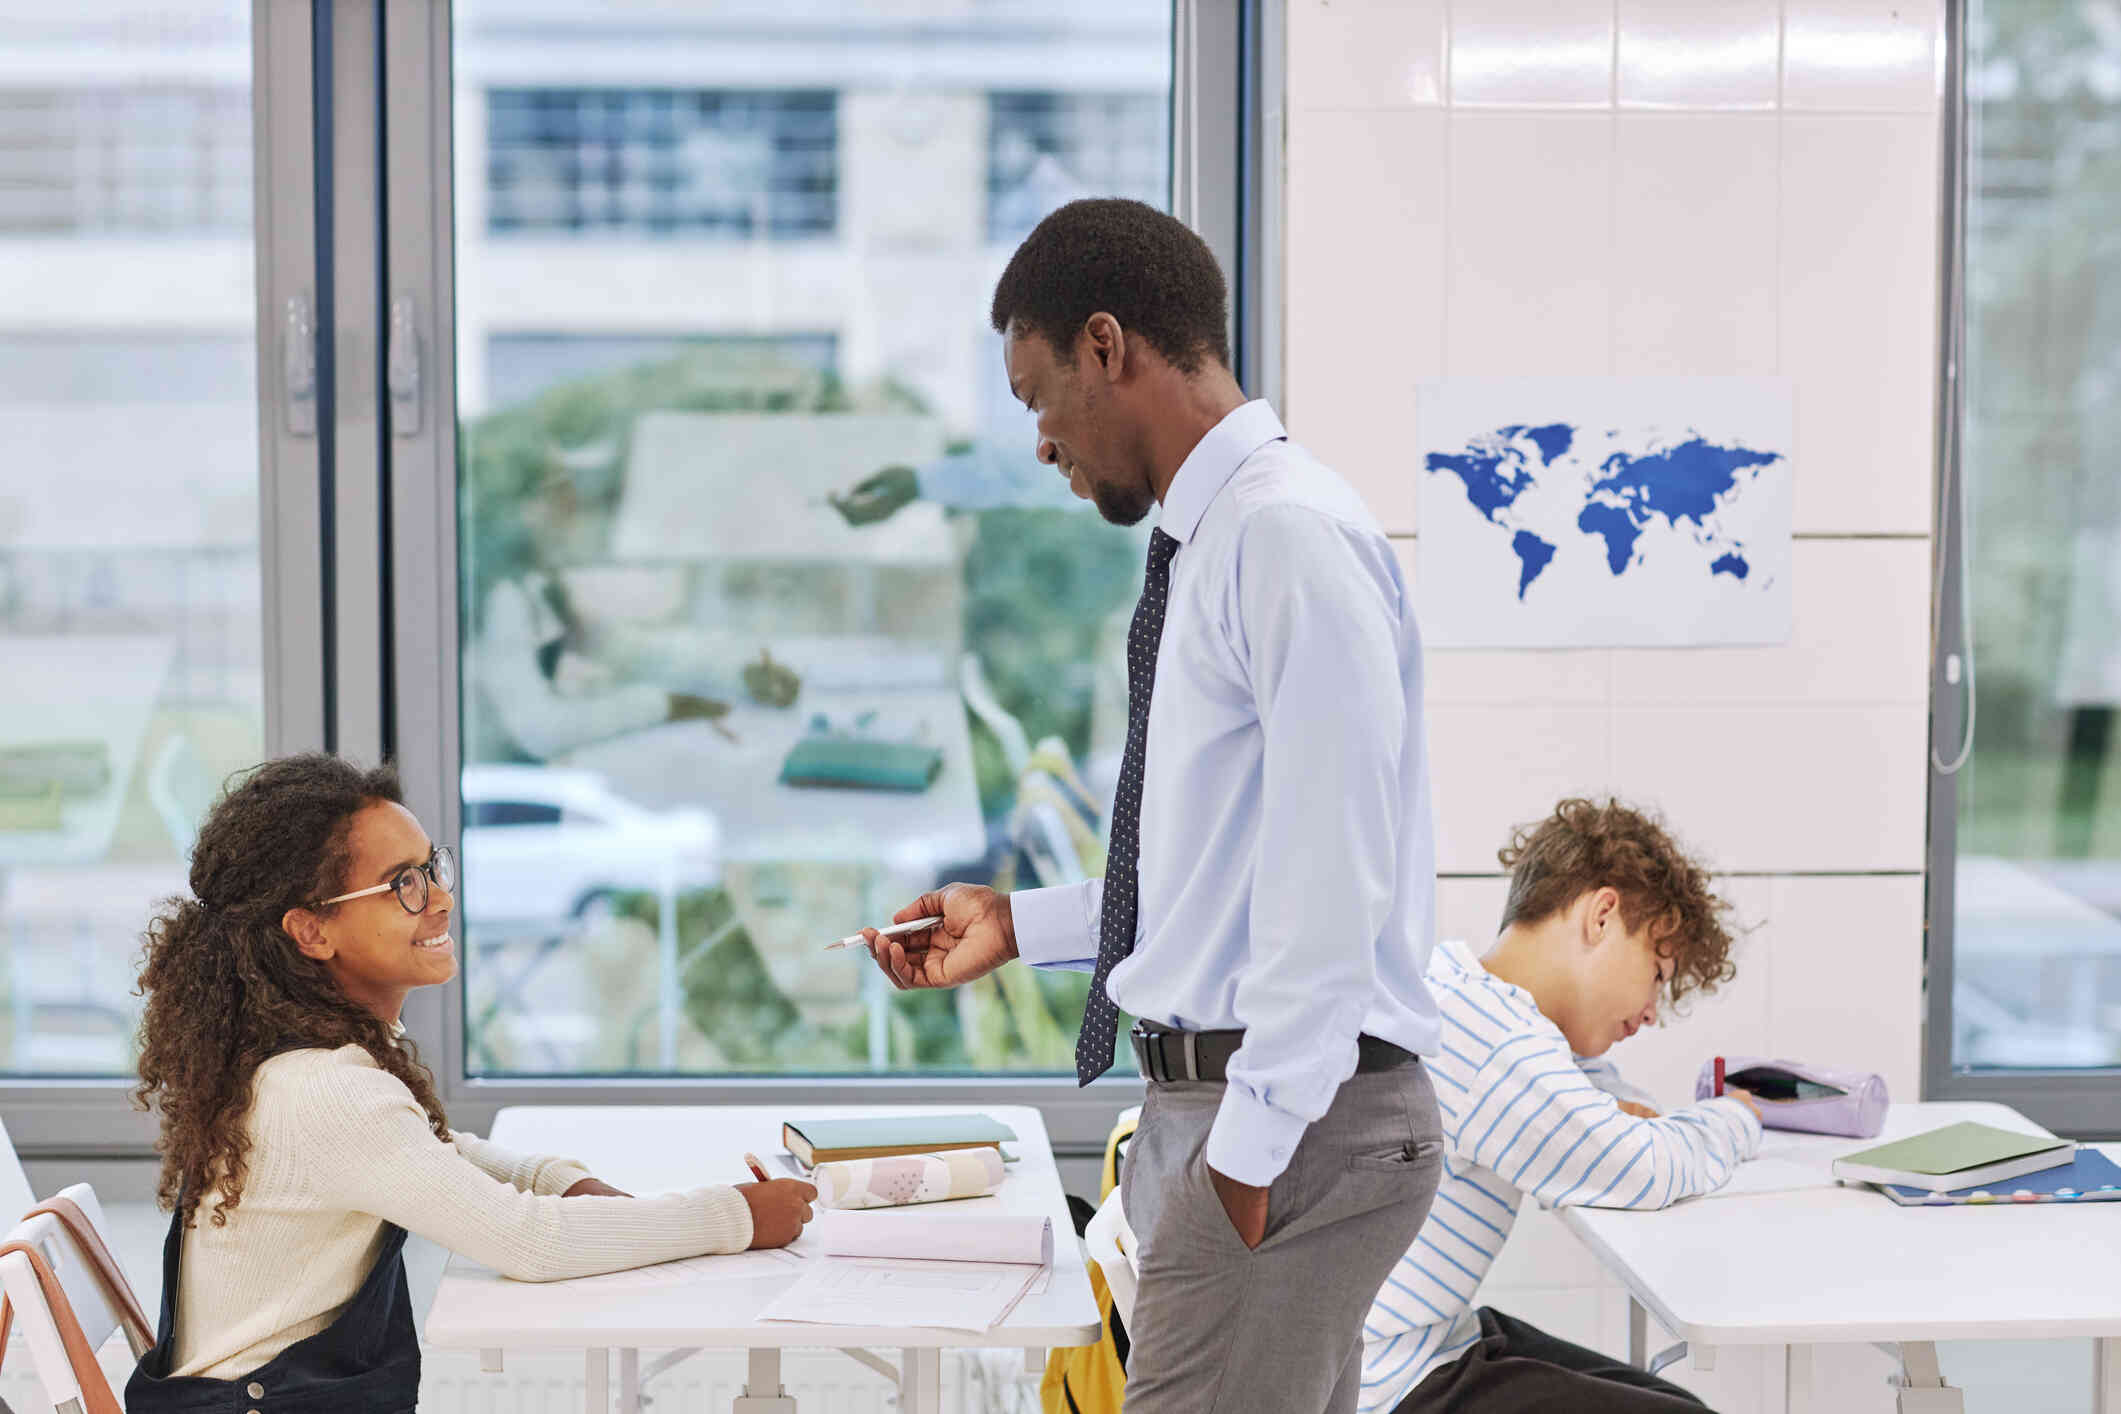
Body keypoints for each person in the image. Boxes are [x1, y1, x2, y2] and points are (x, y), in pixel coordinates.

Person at [860, 197, 1445, 1413]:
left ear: (1108, 347)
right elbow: (1217, 870)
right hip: (1240, 1111)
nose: (1040, 441)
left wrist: (1243, 1168)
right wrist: (1021, 923)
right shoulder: (1218, 540)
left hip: (1285, 1120)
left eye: (1035, 396)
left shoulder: (1282, 536)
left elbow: (1332, 883)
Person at [126, 753, 815, 1412]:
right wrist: (739, 1216)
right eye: (404, 884)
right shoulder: (326, 1092)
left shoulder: (307, 1063)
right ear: (311, 931)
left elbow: (432, 1148)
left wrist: (562, 1180)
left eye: (432, 868)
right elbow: (530, 1244)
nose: (441, 898)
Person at [1358, 798, 1762, 1413]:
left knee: (1674, 1401)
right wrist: (1739, 1117)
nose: (1653, 1010)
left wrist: (1624, 1121)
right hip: (1390, 1384)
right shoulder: (1498, 1044)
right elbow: (1644, 1164)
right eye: (1657, 970)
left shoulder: (1462, 990)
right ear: (1603, 915)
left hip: (1434, 1341)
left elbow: (1623, 1111)